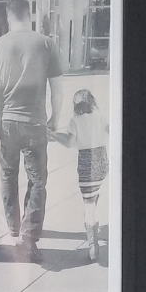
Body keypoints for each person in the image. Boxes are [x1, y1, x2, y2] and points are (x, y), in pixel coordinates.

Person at [0, 0, 64, 264]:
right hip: (35, 122)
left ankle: (14, 227)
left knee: (8, 174)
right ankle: (29, 235)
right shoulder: (47, 43)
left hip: (8, 123)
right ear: (29, 15)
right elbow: (58, 90)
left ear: (8, 17)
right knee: (37, 180)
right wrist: (55, 120)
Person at [49, 89, 109, 262]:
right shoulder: (101, 116)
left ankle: (93, 246)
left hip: (86, 165)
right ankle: (94, 230)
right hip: (102, 162)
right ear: (92, 101)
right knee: (95, 198)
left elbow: (69, 143)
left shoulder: (75, 121)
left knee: (89, 205)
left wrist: (53, 135)